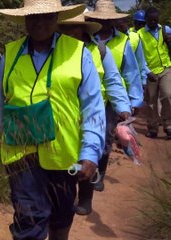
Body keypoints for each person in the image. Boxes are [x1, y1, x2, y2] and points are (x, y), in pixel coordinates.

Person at [0, 1, 106, 239]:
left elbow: (93, 108)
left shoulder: (79, 54)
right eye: (33, 17)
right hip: (21, 156)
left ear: (56, 17)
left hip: (65, 157)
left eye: (46, 17)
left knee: (61, 217)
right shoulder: (10, 54)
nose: (38, 23)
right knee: (30, 221)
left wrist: (90, 153)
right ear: (24, 19)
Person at [58, 13, 131, 216]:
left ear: (83, 29)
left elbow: (113, 80)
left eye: (74, 28)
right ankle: (68, 189)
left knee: (91, 152)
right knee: (68, 154)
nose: (69, 32)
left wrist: (123, 107)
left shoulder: (98, 50)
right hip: (65, 112)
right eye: (65, 28)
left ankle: (86, 197)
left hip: (96, 111)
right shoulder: (56, 50)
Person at [84, 0, 144, 192]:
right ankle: (83, 175)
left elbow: (131, 72)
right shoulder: (85, 40)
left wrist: (131, 104)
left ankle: (97, 175)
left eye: (108, 20)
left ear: (113, 21)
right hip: (87, 99)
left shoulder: (123, 41)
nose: (104, 23)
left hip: (110, 99)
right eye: (100, 19)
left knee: (106, 138)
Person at [138, 7, 171, 139]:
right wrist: (147, 71)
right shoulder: (140, 35)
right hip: (150, 72)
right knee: (151, 101)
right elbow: (139, 56)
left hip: (165, 68)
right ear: (145, 20)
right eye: (150, 20)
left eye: (155, 19)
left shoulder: (165, 30)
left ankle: (168, 124)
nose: (153, 22)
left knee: (168, 95)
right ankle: (152, 128)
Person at [115, 16, 152, 87]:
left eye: (122, 25)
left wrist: (143, 80)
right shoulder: (112, 40)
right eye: (118, 27)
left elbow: (141, 61)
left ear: (126, 24)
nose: (120, 28)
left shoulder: (135, 37)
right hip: (118, 81)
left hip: (133, 80)